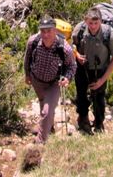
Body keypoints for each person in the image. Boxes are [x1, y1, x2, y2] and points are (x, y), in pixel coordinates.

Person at [24, 16, 76, 144]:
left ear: (55, 31)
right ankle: (49, 127)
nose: (46, 34)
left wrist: (67, 78)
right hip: (37, 80)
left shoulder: (64, 48)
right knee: (43, 104)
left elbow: (72, 65)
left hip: (54, 83)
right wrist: (27, 74)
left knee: (46, 110)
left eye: (49, 31)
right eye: (43, 31)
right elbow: (27, 58)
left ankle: (40, 142)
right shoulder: (33, 42)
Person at [72, 6, 113, 134]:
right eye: (90, 23)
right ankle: (83, 118)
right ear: (85, 21)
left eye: (96, 23)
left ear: (101, 21)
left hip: (100, 69)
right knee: (81, 94)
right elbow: (72, 45)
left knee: (98, 96)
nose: (93, 26)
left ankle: (99, 123)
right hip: (82, 68)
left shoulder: (110, 34)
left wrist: (102, 80)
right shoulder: (80, 29)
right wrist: (77, 55)